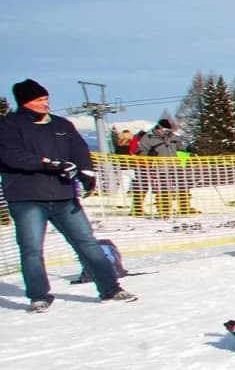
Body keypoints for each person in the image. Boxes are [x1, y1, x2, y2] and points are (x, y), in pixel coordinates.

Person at [0, 79, 135, 311]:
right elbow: (11, 155)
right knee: (31, 248)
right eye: (39, 100)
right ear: (25, 102)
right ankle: (39, 296)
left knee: (88, 243)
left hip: (63, 196)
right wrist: (49, 164)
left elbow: (80, 150)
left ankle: (110, 288)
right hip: (26, 197)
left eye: (46, 99)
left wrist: (86, 173)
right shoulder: (9, 125)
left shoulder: (61, 124)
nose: (45, 103)